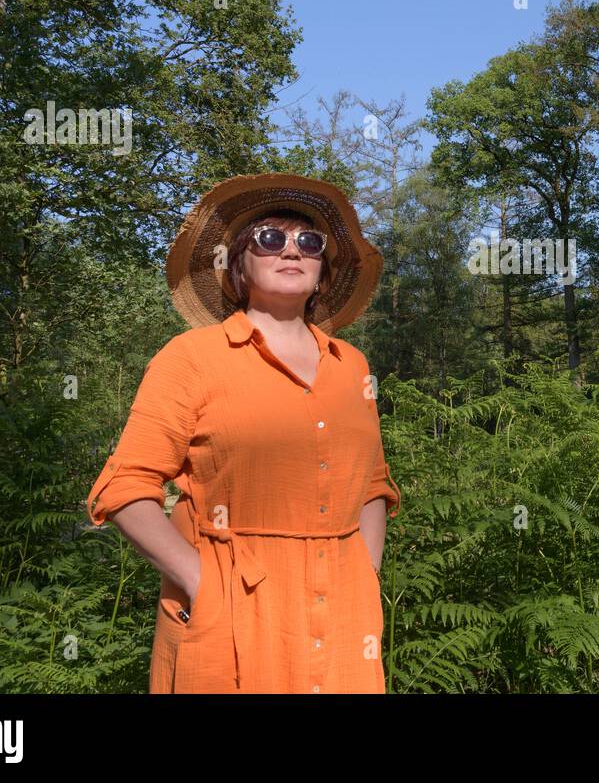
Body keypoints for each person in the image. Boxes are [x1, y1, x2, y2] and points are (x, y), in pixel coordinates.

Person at [85, 173, 401, 693]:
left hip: (343, 616)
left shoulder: (353, 367)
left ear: (323, 273)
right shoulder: (191, 359)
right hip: (232, 612)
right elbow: (125, 488)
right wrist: (201, 581)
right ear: (239, 266)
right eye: (270, 239)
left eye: (310, 242)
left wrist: (365, 570)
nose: (292, 250)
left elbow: (373, 484)